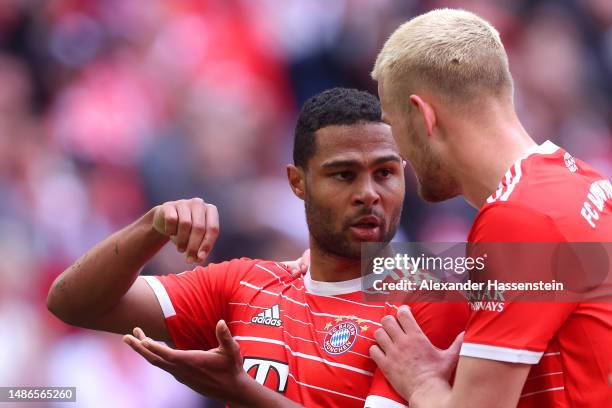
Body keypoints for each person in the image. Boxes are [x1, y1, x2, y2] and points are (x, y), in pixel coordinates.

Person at [47, 87, 468, 407]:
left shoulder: (426, 299)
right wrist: (149, 227)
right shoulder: (246, 284)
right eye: (344, 175)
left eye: (385, 173)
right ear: (297, 182)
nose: (369, 193)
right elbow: (73, 303)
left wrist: (242, 392)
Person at [369, 8, 612, 408]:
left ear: (423, 116)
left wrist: (421, 381)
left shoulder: (517, 217)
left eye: (392, 126)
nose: (399, 155)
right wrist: (352, 268)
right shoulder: (579, 179)